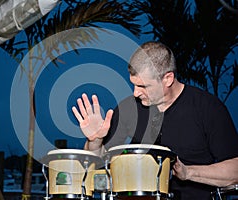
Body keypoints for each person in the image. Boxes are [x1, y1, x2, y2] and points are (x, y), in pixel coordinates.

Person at [72, 41, 238, 199]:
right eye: (134, 85)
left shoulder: (207, 108)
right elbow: (96, 164)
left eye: (143, 86)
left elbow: (235, 170)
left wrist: (188, 172)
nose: (136, 93)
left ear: (168, 79)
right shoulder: (129, 109)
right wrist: (95, 140)